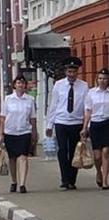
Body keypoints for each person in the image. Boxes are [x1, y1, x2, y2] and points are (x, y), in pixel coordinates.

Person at [47, 56, 89, 191]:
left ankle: (72, 179)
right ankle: (64, 178)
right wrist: (49, 124)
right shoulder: (58, 85)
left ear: (77, 72)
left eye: (74, 72)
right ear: (65, 72)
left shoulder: (84, 86)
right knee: (62, 150)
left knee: (74, 152)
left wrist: (86, 126)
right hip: (61, 121)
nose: (71, 74)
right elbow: (53, 105)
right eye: (69, 72)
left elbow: (87, 107)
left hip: (76, 122)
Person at [0, 75, 37, 194]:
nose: (20, 85)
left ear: (25, 86)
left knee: (23, 157)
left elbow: (33, 118)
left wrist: (34, 132)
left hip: (24, 131)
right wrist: (1, 134)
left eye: (22, 83)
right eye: (18, 83)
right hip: (10, 132)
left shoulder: (30, 100)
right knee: (12, 158)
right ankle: (14, 181)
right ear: (14, 85)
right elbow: (3, 117)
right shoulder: (8, 99)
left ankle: (22, 184)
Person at [83, 68, 109, 189]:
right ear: (97, 79)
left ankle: (105, 180)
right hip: (95, 124)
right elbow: (88, 111)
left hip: (107, 123)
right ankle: (99, 172)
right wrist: (84, 127)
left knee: (106, 151)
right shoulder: (91, 93)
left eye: (105, 79)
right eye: (100, 78)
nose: (102, 81)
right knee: (97, 155)